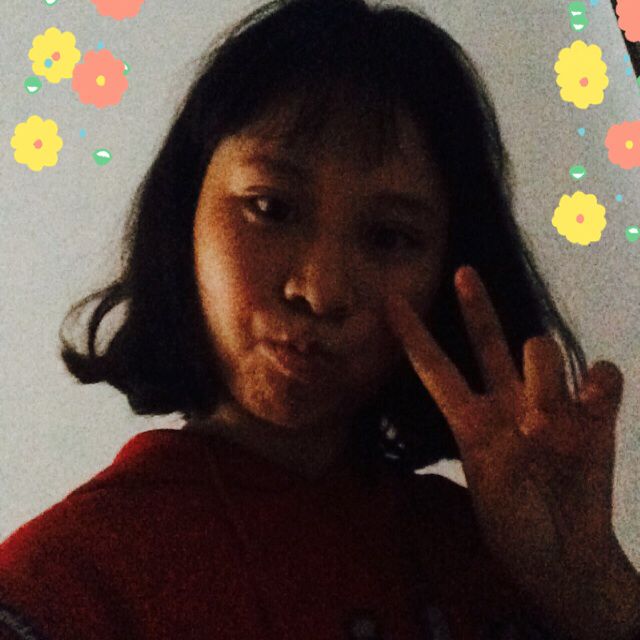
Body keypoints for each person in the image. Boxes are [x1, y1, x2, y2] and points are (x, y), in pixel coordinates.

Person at [1, 0, 639, 638]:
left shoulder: (506, 552)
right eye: (270, 208)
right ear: (184, 213)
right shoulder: (64, 583)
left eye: (389, 237)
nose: (321, 290)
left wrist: (588, 582)